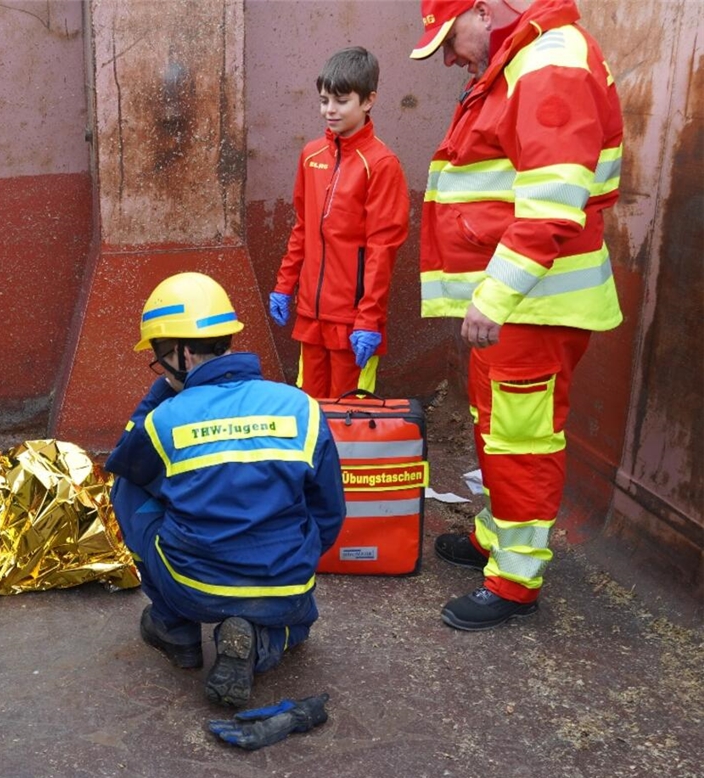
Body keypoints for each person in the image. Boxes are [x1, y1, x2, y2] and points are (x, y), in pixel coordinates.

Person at [410, 0, 623, 629]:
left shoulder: (548, 62)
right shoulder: (523, 61)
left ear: (483, 9)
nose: (447, 56)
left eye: (450, 38)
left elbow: (553, 204)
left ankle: (516, 579)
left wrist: (494, 296)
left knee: (520, 440)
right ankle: (492, 536)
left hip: (531, 303)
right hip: (517, 303)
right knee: (495, 426)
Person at [106, 272, 346, 707]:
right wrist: (295, 559)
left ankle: (174, 629)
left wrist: (158, 394)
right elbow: (329, 512)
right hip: (286, 582)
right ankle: (262, 640)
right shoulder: (302, 407)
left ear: (180, 352)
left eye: (160, 357)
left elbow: (125, 461)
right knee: (296, 624)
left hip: (193, 586)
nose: (160, 368)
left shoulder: (165, 420)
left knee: (126, 487)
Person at [269, 46, 410, 398]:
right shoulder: (311, 155)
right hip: (311, 318)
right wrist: (285, 286)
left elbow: (383, 248)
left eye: (341, 100)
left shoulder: (381, 164)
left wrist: (369, 319)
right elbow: (302, 228)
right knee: (313, 413)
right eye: (324, 100)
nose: (329, 110)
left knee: (351, 418)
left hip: (353, 322)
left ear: (368, 100)